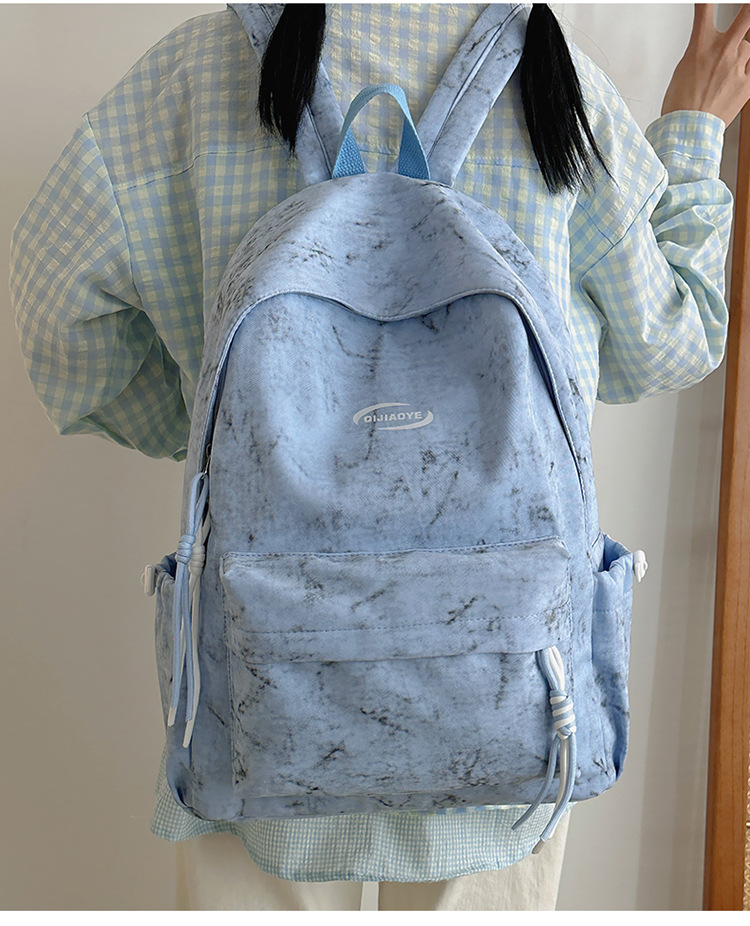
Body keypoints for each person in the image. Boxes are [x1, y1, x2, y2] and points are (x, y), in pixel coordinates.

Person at [8, 1, 749, 912]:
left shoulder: (192, 76)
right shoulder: (560, 87)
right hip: (507, 736)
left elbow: (59, 318)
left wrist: (216, 438)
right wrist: (692, 131)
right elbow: (668, 341)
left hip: (262, 729)